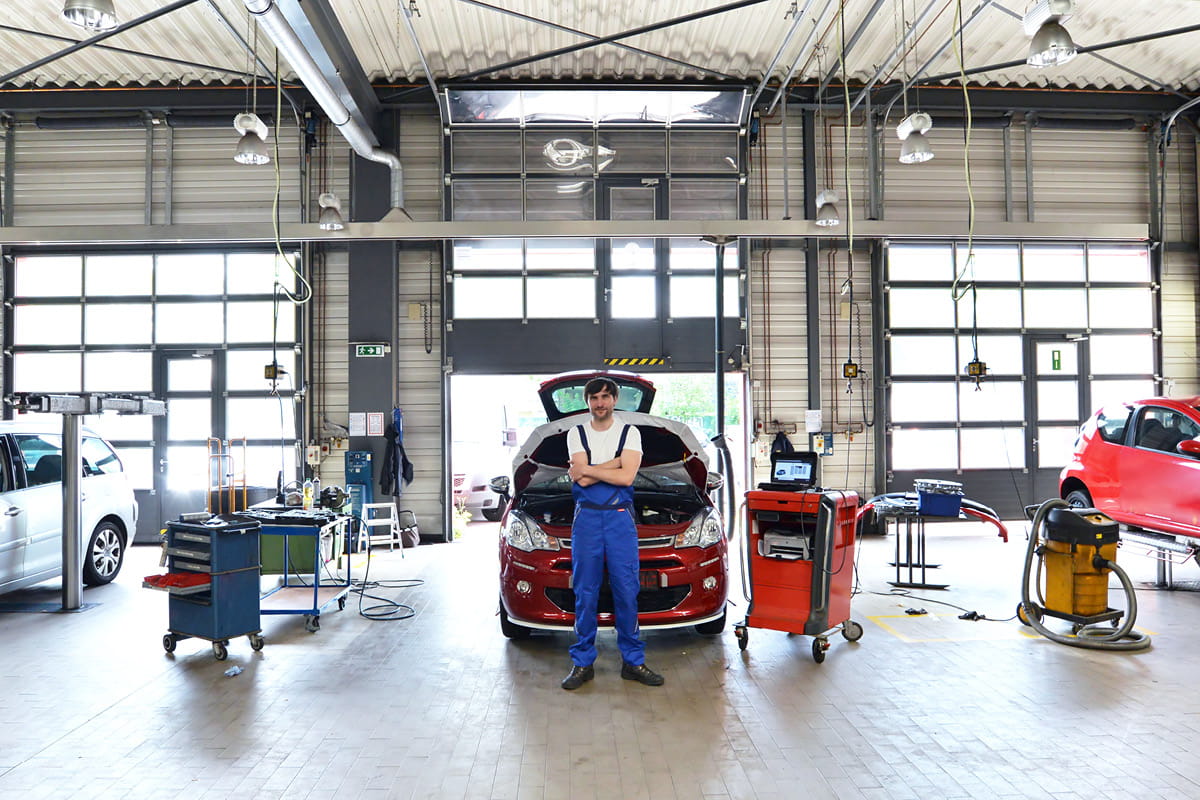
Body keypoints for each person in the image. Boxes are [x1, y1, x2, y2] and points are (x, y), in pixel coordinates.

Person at [560, 377, 664, 690]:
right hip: (587, 521)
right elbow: (584, 482)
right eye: (594, 398)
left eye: (605, 396)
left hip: (619, 520)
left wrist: (592, 469)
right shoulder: (575, 434)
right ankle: (582, 663)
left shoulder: (629, 432)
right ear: (587, 401)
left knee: (626, 590)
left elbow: (626, 477)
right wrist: (615, 464)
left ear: (615, 399)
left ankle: (633, 661)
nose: (600, 403)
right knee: (585, 592)